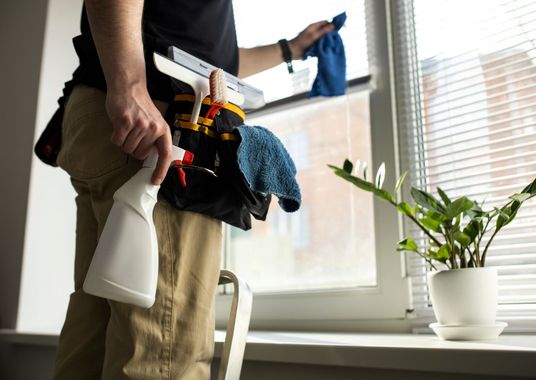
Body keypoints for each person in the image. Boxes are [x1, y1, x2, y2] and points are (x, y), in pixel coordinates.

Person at [50, 1, 334, 379]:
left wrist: (290, 49)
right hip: (158, 125)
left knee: (98, 328)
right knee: (164, 350)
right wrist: (130, 86)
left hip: (118, 114)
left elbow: (207, 64)